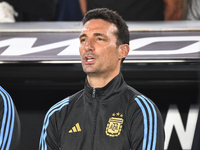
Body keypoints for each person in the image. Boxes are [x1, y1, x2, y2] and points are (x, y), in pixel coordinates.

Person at [39, 8, 165, 150]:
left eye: (99, 39)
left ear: (123, 51)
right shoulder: (57, 114)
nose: (88, 46)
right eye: (83, 39)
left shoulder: (142, 111)